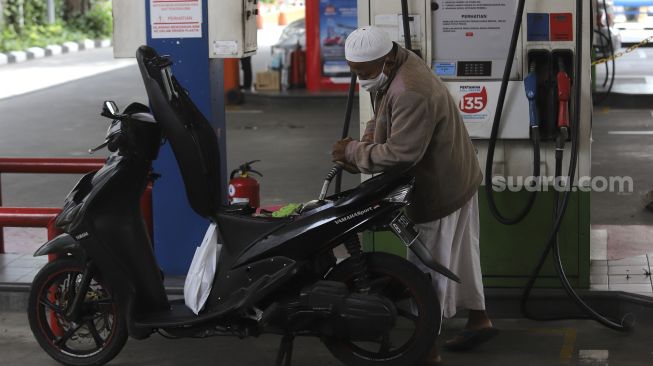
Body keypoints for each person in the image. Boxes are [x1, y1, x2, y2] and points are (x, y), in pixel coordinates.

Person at [331, 26, 497, 365]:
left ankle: (427, 350)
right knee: (464, 252)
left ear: (387, 60)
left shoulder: (411, 90)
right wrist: (362, 146)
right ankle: (480, 320)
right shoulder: (396, 67)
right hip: (457, 174)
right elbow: (381, 117)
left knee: (425, 270)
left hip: (440, 185)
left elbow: (402, 154)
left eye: (362, 72)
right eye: (352, 69)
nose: (357, 78)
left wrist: (353, 153)